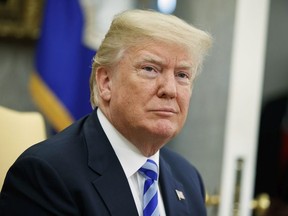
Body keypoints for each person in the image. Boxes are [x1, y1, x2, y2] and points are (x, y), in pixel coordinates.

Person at [0, 9, 212, 216]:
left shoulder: (187, 178)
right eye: (150, 69)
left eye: (182, 75)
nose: (170, 89)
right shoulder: (46, 174)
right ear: (106, 82)